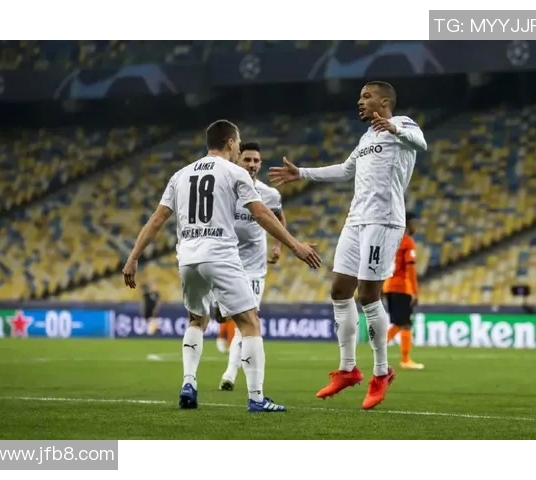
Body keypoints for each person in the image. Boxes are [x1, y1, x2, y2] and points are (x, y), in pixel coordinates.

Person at [122, 119, 321, 413]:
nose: (239, 148)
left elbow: (157, 219)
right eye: (238, 143)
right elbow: (261, 214)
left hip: (187, 258)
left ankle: (189, 383)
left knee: (196, 321)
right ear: (230, 142)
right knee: (250, 323)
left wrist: (133, 257)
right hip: (220, 255)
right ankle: (256, 398)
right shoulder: (234, 172)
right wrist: (294, 245)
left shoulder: (180, 175)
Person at [269, 81, 427, 410]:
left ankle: (381, 373)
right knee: (340, 290)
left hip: (383, 220)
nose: (360, 101)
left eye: (366, 96)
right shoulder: (366, 138)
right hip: (355, 220)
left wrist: (394, 128)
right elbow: (344, 169)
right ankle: (348, 369)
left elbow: (421, 142)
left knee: (368, 295)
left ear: (385, 101)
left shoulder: (403, 124)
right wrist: (302, 173)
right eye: (360, 97)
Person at [213, 141, 286, 391]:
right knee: (222, 316)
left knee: (248, 320)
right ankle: (219, 308)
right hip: (226, 261)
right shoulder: (224, 189)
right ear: (237, 160)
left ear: (260, 164)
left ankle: (230, 373)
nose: (252, 164)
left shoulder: (269, 194)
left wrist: (277, 245)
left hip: (254, 267)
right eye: (247, 159)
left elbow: (279, 216)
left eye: (256, 160)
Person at [384, 212, 424, 369]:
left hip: (389, 286)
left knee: (401, 323)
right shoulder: (407, 242)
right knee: (405, 323)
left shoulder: (391, 240)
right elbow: (410, 270)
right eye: (414, 223)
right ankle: (405, 360)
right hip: (401, 287)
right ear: (408, 224)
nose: (416, 227)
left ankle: (381, 345)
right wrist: (415, 291)